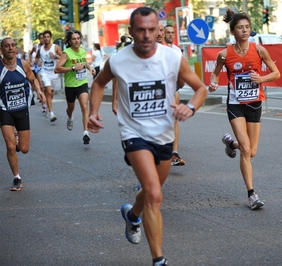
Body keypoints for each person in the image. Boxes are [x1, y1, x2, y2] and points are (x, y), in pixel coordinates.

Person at [88, 7, 207, 266]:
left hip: (163, 135)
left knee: (151, 190)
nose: (146, 35)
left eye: (152, 29)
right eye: (140, 30)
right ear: (130, 31)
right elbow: (98, 83)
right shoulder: (119, 60)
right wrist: (93, 111)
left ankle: (133, 215)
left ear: (159, 30)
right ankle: (159, 260)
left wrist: (191, 106)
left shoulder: (172, 58)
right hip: (134, 134)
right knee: (154, 193)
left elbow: (201, 88)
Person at [208, 10, 280, 210]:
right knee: (246, 149)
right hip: (235, 105)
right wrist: (213, 84)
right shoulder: (224, 54)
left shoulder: (259, 50)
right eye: (240, 27)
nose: (245, 30)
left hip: (255, 104)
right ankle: (251, 194)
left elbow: (276, 73)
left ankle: (231, 144)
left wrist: (261, 79)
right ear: (233, 31)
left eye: (247, 27)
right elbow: (214, 76)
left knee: (252, 151)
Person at [0, 37, 46, 191]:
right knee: (10, 146)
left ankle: (18, 138)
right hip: (4, 109)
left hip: (22, 109)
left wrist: (39, 91)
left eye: (13, 45)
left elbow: (33, 80)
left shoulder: (23, 64)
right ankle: (16, 177)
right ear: (2, 50)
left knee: (24, 148)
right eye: (7, 46)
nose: (11, 48)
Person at [54, 30, 96, 144]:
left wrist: (90, 68)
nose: (76, 41)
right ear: (69, 41)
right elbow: (57, 69)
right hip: (70, 85)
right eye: (74, 39)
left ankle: (86, 132)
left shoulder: (82, 51)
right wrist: (72, 68)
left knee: (84, 107)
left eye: (78, 38)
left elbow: (84, 62)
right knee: (70, 108)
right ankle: (70, 116)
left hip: (82, 83)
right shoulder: (66, 53)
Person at [164, 24, 186, 166]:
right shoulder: (159, 50)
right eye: (168, 32)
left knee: (174, 119)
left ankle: (174, 152)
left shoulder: (178, 51)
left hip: (174, 88)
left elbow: (182, 72)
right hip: (160, 89)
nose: (171, 34)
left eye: (173, 32)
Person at [35, 30, 62, 122]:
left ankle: (47, 106)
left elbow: (63, 57)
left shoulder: (56, 47)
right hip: (44, 72)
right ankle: (51, 113)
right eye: (44, 37)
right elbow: (37, 57)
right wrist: (38, 62)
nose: (46, 39)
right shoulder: (40, 49)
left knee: (51, 93)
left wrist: (55, 56)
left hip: (54, 73)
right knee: (49, 92)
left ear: (50, 38)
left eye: (48, 37)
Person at [29, 32, 46, 113]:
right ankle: (43, 105)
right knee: (41, 86)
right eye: (41, 38)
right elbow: (31, 54)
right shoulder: (37, 47)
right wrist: (31, 61)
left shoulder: (48, 47)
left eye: (44, 38)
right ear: (39, 39)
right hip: (38, 68)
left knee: (48, 88)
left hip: (47, 69)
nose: (43, 39)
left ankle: (42, 97)